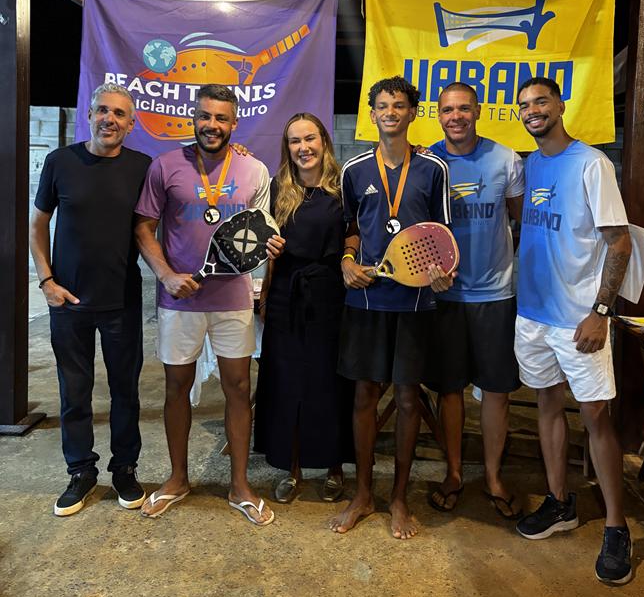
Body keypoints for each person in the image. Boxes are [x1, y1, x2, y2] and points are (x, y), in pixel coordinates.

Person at [134, 83, 284, 524]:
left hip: (234, 299)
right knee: (176, 388)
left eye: (221, 118)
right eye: (205, 116)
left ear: (234, 122)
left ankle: (240, 486)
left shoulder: (254, 169)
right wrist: (166, 274)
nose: (211, 125)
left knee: (238, 388)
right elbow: (143, 228)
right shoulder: (165, 166)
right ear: (193, 118)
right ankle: (177, 479)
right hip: (179, 301)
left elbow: (262, 229)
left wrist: (271, 246)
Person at [514, 77, 633, 585]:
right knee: (546, 403)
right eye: (524, 105)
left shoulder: (591, 163)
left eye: (541, 101)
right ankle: (560, 502)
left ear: (560, 106)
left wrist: (600, 311)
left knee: (595, 416)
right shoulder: (531, 164)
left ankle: (616, 527)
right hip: (533, 314)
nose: (532, 110)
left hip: (579, 319)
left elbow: (620, 242)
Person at [329, 76, 454, 540]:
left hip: (415, 300)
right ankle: (363, 494)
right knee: (364, 395)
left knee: (406, 398)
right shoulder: (354, 169)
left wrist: (442, 273)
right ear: (372, 113)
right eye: (382, 106)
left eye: (399, 105)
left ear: (412, 112)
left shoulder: (434, 168)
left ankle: (399, 498)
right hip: (365, 298)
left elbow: (443, 235)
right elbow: (349, 228)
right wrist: (346, 262)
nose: (390, 113)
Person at [30, 83, 151, 516]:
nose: (109, 119)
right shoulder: (60, 162)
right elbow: (38, 225)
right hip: (68, 302)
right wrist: (46, 281)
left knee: (126, 392)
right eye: (102, 110)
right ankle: (80, 471)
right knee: (74, 394)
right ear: (90, 114)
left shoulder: (142, 167)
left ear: (131, 124)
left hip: (122, 301)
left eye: (119, 114)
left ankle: (124, 469)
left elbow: (156, 220)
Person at [425, 82, 524, 519]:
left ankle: (493, 476)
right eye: (448, 110)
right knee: (450, 390)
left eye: (464, 109)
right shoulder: (427, 162)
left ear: (478, 111)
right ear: (438, 115)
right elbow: (418, 227)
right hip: (444, 296)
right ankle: (453, 474)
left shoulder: (506, 160)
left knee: (496, 390)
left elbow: (521, 222)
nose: (456, 117)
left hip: (496, 294)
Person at [254, 113, 354, 503]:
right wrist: (266, 287)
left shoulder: (344, 185)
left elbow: (356, 233)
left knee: (330, 383)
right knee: (287, 383)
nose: (303, 147)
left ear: (323, 141)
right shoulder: (278, 187)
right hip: (286, 293)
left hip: (330, 294)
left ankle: (334, 467)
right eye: (295, 141)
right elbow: (266, 245)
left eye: (309, 138)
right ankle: (292, 468)